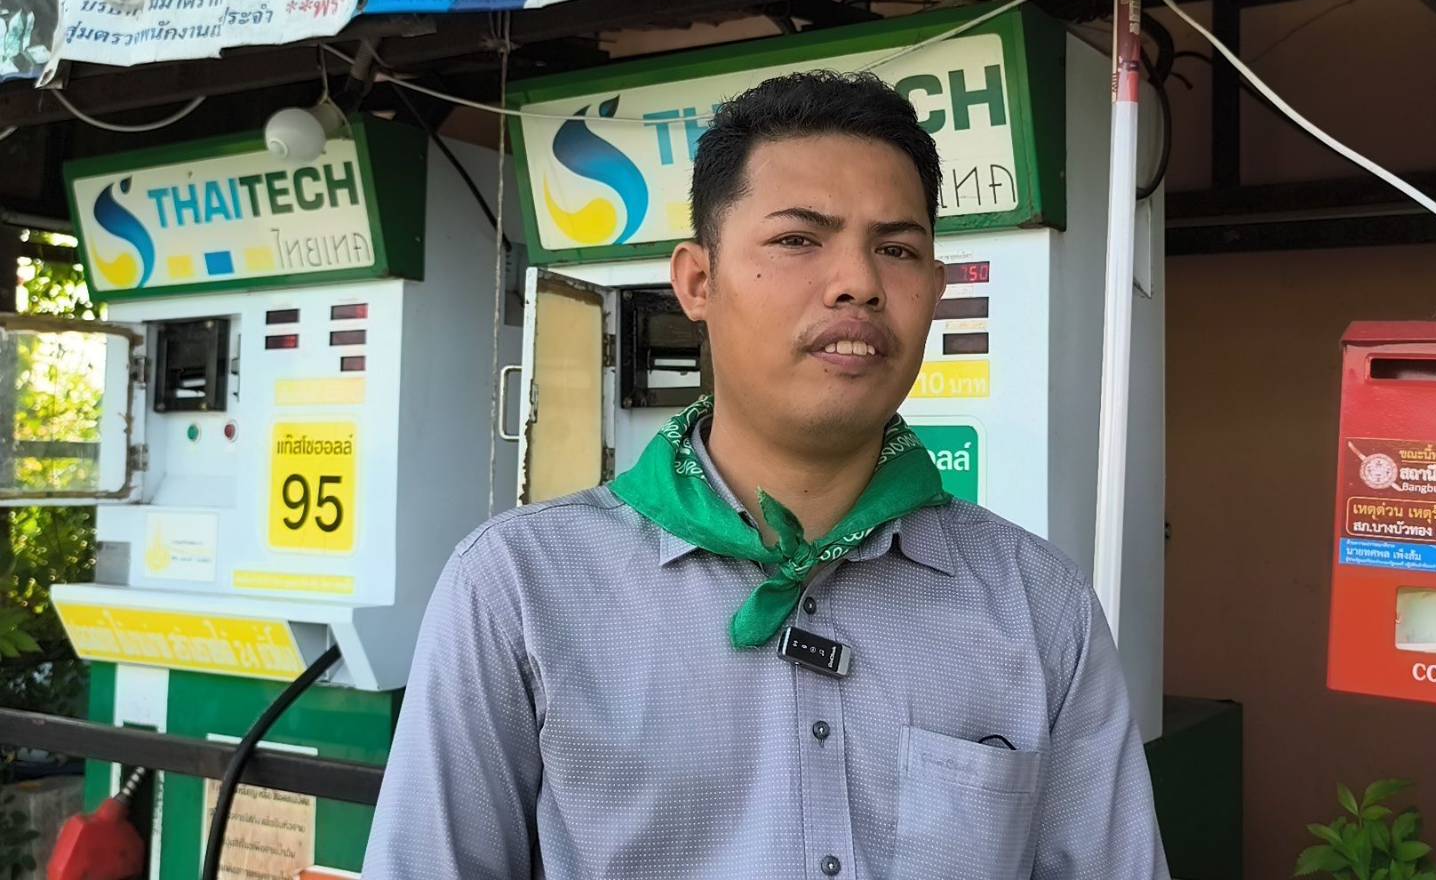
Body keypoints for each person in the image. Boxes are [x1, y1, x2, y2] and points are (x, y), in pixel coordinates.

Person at [364, 70, 1168, 879]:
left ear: (934, 291)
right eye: (798, 240)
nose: (858, 282)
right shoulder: (516, 592)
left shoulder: (1039, 607)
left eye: (896, 249)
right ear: (697, 282)